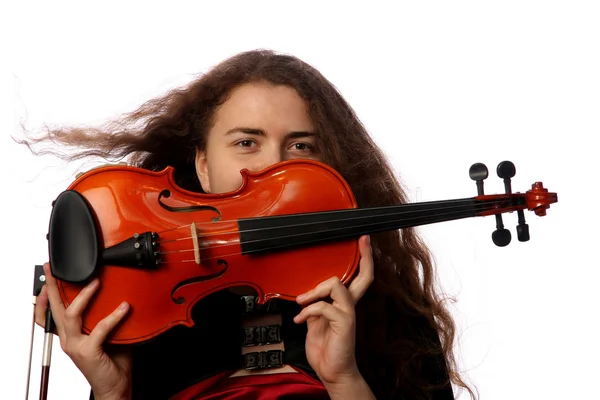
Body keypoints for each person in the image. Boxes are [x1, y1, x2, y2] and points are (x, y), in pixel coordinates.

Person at [24, 49, 476, 399]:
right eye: (246, 142)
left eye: (299, 146)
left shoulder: (392, 315)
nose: (273, 169)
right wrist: (110, 393)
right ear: (202, 165)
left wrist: (344, 380)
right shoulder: (145, 318)